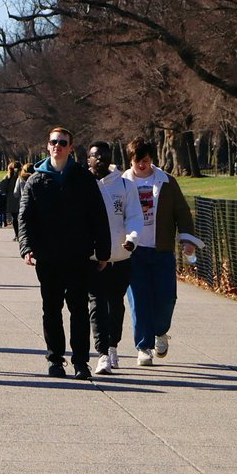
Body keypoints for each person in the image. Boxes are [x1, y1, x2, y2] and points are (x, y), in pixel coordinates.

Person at [17, 127, 111, 380]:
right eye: (53, 142)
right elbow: (25, 218)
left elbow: (99, 217)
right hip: (48, 257)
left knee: (78, 309)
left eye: (62, 142)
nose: (57, 146)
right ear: (47, 146)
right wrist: (26, 247)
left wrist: (103, 251)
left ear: (71, 147)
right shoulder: (36, 180)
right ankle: (55, 360)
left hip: (78, 255)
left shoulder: (83, 178)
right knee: (51, 309)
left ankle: (81, 361)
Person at [122, 137, 201, 366]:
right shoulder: (124, 183)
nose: (142, 165)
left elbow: (182, 212)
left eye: (146, 160)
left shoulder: (166, 182)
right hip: (134, 252)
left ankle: (160, 332)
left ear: (152, 159)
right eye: (138, 161)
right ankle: (144, 347)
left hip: (162, 250)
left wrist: (187, 240)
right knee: (139, 300)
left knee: (167, 298)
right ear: (131, 160)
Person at [87, 141, 144, 375]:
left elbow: (133, 216)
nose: (99, 159)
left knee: (115, 303)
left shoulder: (124, 185)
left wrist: (132, 239)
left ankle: (112, 346)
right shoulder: (83, 184)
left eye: (103, 155)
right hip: (91, 257)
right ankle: (101, 354)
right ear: (87, 159)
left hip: (120, 255)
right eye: (94, 156)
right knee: (96, 303)